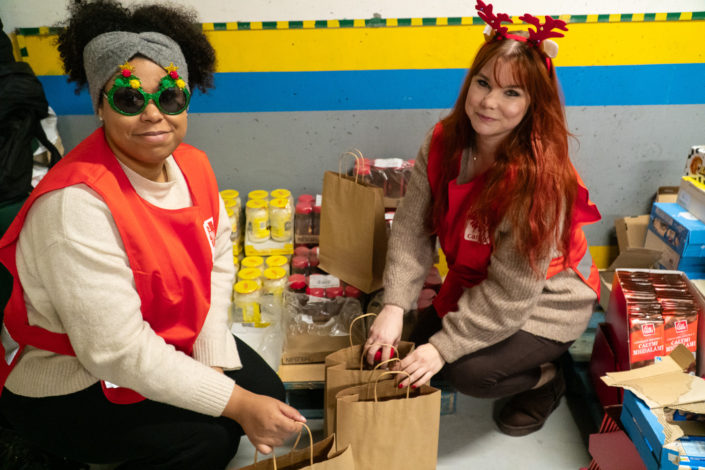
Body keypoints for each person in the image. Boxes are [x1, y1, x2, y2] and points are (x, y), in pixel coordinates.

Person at [0, 1, 305, 468]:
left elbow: (217, 261)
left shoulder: (193, 166)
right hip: (74, 374)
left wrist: (211, 360)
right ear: (100, 105)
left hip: (163, 333)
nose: (152, 114)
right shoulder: (74, 205)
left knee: (268, 394)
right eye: (128, 99)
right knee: (210, 438)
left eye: (169, 96)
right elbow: (115, 350)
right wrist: (234, 403)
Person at [365, 0, 601, 437]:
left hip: (547, 298)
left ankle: (548, 380)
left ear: (534, 104)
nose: (489, 102)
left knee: (465, 371)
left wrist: (444, 348)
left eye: (512, 93)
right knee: (411, 342)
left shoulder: (538, 181)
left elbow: (513, 293)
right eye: (483, 83)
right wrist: (394, 305)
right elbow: (412, 229)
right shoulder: (443, 142)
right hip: (480, 280)